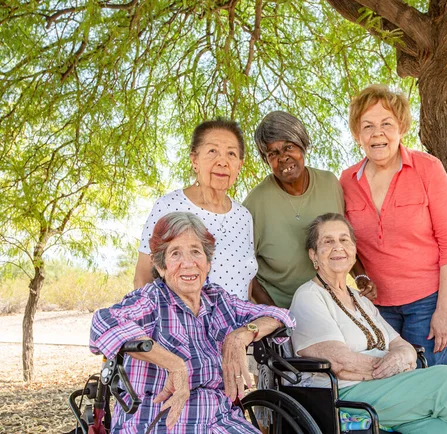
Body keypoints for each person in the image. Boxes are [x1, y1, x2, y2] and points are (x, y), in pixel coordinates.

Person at [91, 212, 294, 433]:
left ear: (207, 263)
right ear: (161, 266)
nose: (188, 264)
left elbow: (280, 316)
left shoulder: (218, 300)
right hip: (161, 420)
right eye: (175, 253)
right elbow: (103, 322)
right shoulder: (152, 300)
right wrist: (175, 365)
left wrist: (242, 335)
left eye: (196, 252)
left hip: (220, 421)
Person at [289, 214, 447, 434]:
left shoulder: (360, 299)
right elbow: (340, 363)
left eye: (344, 240)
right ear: (313, 255)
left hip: (381, 388)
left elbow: (401, 345)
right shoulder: (309, 296)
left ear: (354, 250)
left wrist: (402, 358)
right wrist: (394, 367)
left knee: (442, 427)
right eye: (328, 241)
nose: (338, 247)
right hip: (344, 395)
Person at [340, 84, 447, 366]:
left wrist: (444, 312)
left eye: (386, 124)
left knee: (426, 386)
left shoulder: (428, 169)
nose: (377, 133)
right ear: (357, 135)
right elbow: (346, 243)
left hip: (427, 302)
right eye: (368, 126)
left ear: (401, 128)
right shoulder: (347, 181)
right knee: (389, 389)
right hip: (377, 309)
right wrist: (360, 278)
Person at [243, 110, 357, 308]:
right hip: (282, 308)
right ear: (266, 160)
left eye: (289, 147)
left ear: (303, 144)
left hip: (332, 304)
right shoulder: (255, 203)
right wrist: (275, 314)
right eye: (273, 153)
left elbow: (346, 240)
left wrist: (361, 276)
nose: (284, 157)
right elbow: (244, 269)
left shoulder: (330, 184)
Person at [134, 119, 258, 301]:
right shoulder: (169, 206)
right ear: (195, 160)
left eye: (231, 154)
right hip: (182, 327)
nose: (222, 162)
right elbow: (143, 278)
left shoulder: (243, 216)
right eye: (212, 151)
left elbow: (245, 282)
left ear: (239, 166)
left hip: (239, 326)